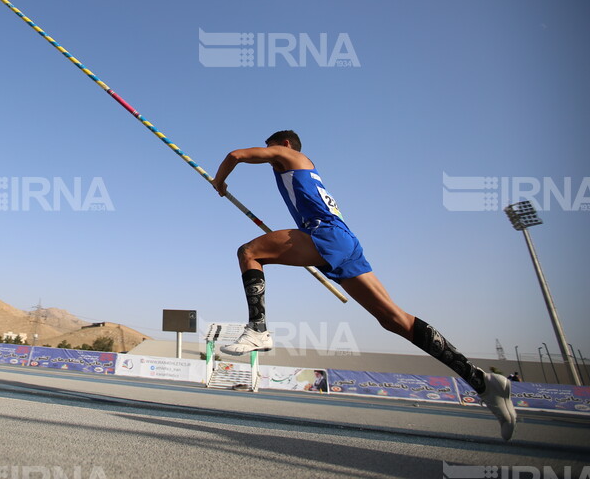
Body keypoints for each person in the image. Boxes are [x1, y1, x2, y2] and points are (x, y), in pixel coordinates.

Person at [211, 130, 517, 440]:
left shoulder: (289, 156)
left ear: (285, 145)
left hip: (325, 234)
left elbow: (235, 155)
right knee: (393, 319)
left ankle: (258, 329)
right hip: (345, 240)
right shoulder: (302, 167)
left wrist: (219, 181)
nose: (267, 155)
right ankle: (482, 382)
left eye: (270, 149)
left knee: (249, 252)